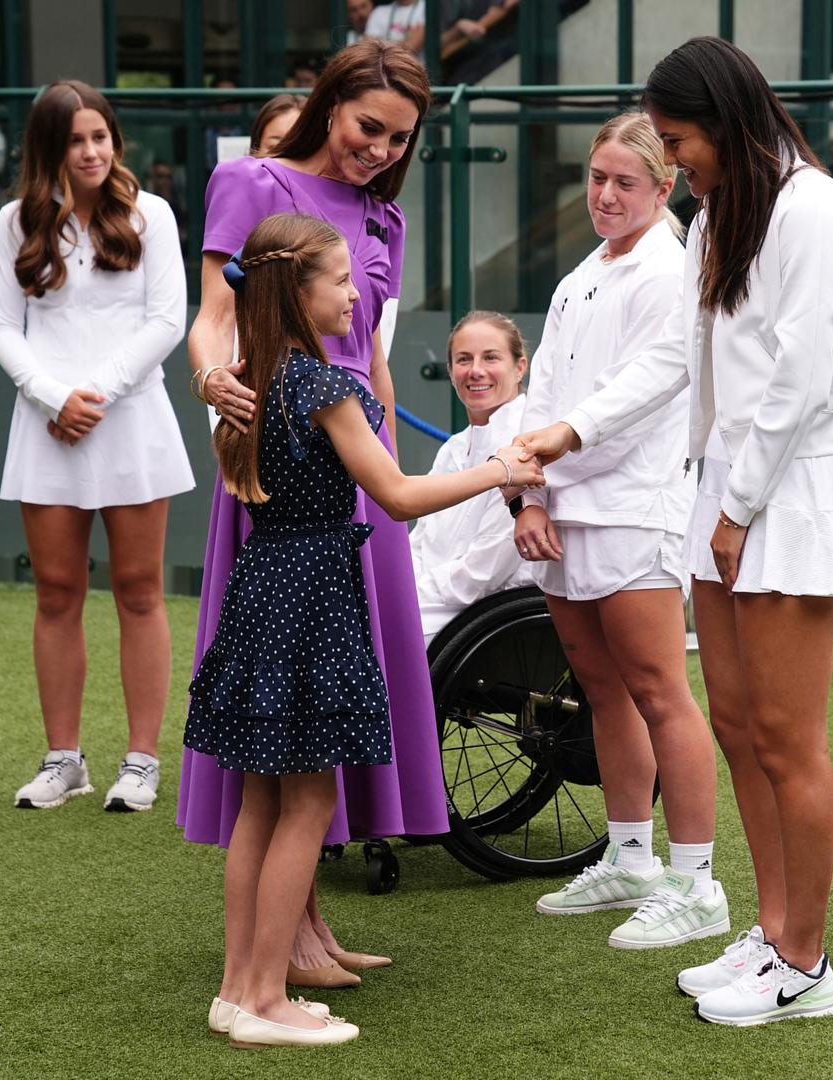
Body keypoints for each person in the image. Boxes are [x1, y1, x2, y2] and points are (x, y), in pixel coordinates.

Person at [517, 38, 833, 1026]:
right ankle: (772, 936)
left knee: (786, 740)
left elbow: (804, 373)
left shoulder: (810, 205)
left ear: (725, 122)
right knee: (736, 727)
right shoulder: (725, 212)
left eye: (681, 143)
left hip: (781, 496)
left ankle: (805, 964)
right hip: (723, 493)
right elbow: (678, 365)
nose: (675, 163)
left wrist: (736, 507)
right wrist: (572, 429)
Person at [192, 213, 542, 1050]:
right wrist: (501, 469)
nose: (358, 295)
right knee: (309, 798)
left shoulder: (249, 379)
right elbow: (397, 495)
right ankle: (265, 1001)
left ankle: (239, 988)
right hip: (311, 593)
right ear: (298, 291)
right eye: (344, 281)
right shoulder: (322, 386)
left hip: (262, 591)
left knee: (261, 800)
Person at [179, 39, 436, 991]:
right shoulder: (248, 181)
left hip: (358, 477)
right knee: (286, 718)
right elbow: (213, 312)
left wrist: (394, 490)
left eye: (399, 139)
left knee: (320, 719)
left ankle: (310, 932)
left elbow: (370, 356)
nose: (378, 150)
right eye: (370, 127)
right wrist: (211, 379)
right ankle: (281, 947)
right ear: (333, 106)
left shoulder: (386, 218)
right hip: (280, 470)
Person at [514, 112, 721, 950]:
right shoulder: (580, 276)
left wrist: (556, 450)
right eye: (596, 178)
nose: (604, 194)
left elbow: (646, 390)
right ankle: (631, 858)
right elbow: (542, 393)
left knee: (660, 691)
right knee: (602, 690)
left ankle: (699, 884)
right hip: (565, 511)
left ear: (662, 187)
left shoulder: (672, 271)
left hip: (637, 510)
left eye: (623, 182)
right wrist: (526, 491)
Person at [0, 79, 193, 813]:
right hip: (46, 433)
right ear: (50, 148)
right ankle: (64, 760)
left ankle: (142, 763)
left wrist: (92, 394)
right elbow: (1, 326)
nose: (92, 151)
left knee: (139, 593)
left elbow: (168, 319)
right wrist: (51, 398)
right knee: (56, 596)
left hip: (130, 426)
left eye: (100, 136)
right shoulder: (15, 222)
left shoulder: (152, 215)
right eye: (75, 140)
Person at [411, 311, 537, 644]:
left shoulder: (526, 442)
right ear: (451, 371)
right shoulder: (453, 448)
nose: (475, 370)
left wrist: (411, 598)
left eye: (491, 357)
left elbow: (487, 569)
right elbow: (420, 538)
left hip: (482, 612)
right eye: (463, 359)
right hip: (434, 598)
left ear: (519, 367)